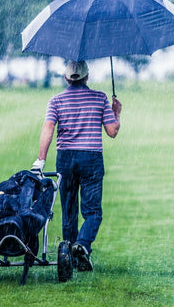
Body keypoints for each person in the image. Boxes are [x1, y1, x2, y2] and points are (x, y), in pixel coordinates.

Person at [31, 60, 122, 271]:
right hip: (91, 159)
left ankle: (69, 255)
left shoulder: (56, 101)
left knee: (69, 210)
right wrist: (116, 112)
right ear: (87, 77)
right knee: (93, 212)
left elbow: (48, 128)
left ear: (66, 78)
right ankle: (82, 245)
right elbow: (112, 131)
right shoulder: (100, 98)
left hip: (66, 159)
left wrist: (41, 159)